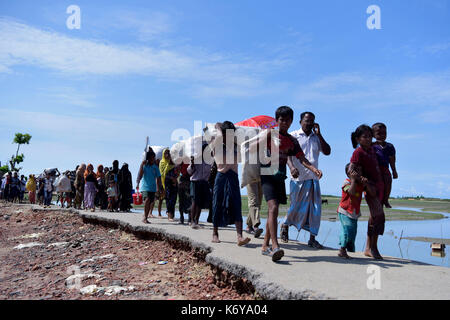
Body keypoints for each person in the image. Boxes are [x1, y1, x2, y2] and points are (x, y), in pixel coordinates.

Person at [259, 106, 322, 262]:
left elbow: (301, 157)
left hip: (280, 176)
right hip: (267, 174)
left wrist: (314, 169)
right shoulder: (269, 135)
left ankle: (265, 244)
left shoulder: (292, 140)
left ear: (291, 121)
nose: (285, 123)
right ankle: (275, 246)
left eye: (287, 120)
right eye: (281, 120)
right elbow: (253, 147)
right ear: (277, 120)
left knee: (273, 211)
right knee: (273, 207)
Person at [280, 111, 331, 248]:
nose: (309, 123)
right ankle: (285, 225)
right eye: (306, 120)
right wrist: (291, 168)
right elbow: (288, 155)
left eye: (311, 121)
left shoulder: (316, 138)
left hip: (313, 178)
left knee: (315, 209)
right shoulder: (294, 136)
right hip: (298, 178)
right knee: (295, 206)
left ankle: (312, 238)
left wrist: (319, 134)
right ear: (300, 121)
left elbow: (327, 151)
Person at [210, 121, 251, 246]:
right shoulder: (216, 144)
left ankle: (239, 236)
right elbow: (216, 128)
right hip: (221, 175)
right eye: (227, 134)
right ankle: (215, 233)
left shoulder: (235, 145)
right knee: (217, 203)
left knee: (236, 203)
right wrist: (219, 128)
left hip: (233, 176)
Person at [350, 124, 385, 260]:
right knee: (378, 217)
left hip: (379, 186)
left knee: (376, 217)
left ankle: (369, 248)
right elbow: (351, 169)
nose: (368, 139)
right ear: (358, 139)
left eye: (370, 136)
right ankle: (373, 248)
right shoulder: (358, 152)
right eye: (365, 137)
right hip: (370, 188)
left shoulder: (371, 149)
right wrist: (362, 180)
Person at [337, 164, 376, 259]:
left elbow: (373, 193)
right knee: (347, 230)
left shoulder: (361, 184)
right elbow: (351, 192)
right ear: (349, 173)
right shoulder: (346, 182)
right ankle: (342, 250)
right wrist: (353, 180)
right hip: (345, 211)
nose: (359, 173)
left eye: (360, 171)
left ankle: (345, 248)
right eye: (355, 171)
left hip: (354, 212)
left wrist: (366, 184)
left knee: (352, 232)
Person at [372, 123, 397, 208]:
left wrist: (394, 171)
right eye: (379, 134)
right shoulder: (372, 146)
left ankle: (386, 199)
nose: (382, 135)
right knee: (378, 187)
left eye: (384, 133)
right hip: (375, 170)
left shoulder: (389, 146)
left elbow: (392, 160)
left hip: (385, 168)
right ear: (373, 135)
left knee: (388, 180)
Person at [188, 149, 212, 229]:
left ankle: (196, 221)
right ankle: (192, 221)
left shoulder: (209, 161)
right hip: (195, 182)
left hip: (204, 182)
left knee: (200, 203)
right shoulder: (196, 160)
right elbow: (189, 171)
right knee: (195, 201)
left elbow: (209, 172)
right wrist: (192, 164)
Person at [136, 150, 162, 224]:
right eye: (151, 157)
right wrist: (137, 183)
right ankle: (145, 217)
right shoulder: (144, 165)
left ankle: (146, 217)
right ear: (148, 158)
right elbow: (140, 175)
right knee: (147, 200)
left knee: (150, 202)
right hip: (145, 187)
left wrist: (159, 188)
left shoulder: (155, 167)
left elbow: (158, 178)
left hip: (153, 188)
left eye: (154, 157)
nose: (153, 159)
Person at [159, 149, 174, 218]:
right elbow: (162, 173)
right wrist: (168, 164)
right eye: (166, 153)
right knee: (164, 198)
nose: (167, 154)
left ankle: (171, 213)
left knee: (172, 198)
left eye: (168, 153)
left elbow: (176, 171)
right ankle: (166, 213)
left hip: (172, 183)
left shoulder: (172, 162)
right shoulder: (162, 162)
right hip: (164, 182)